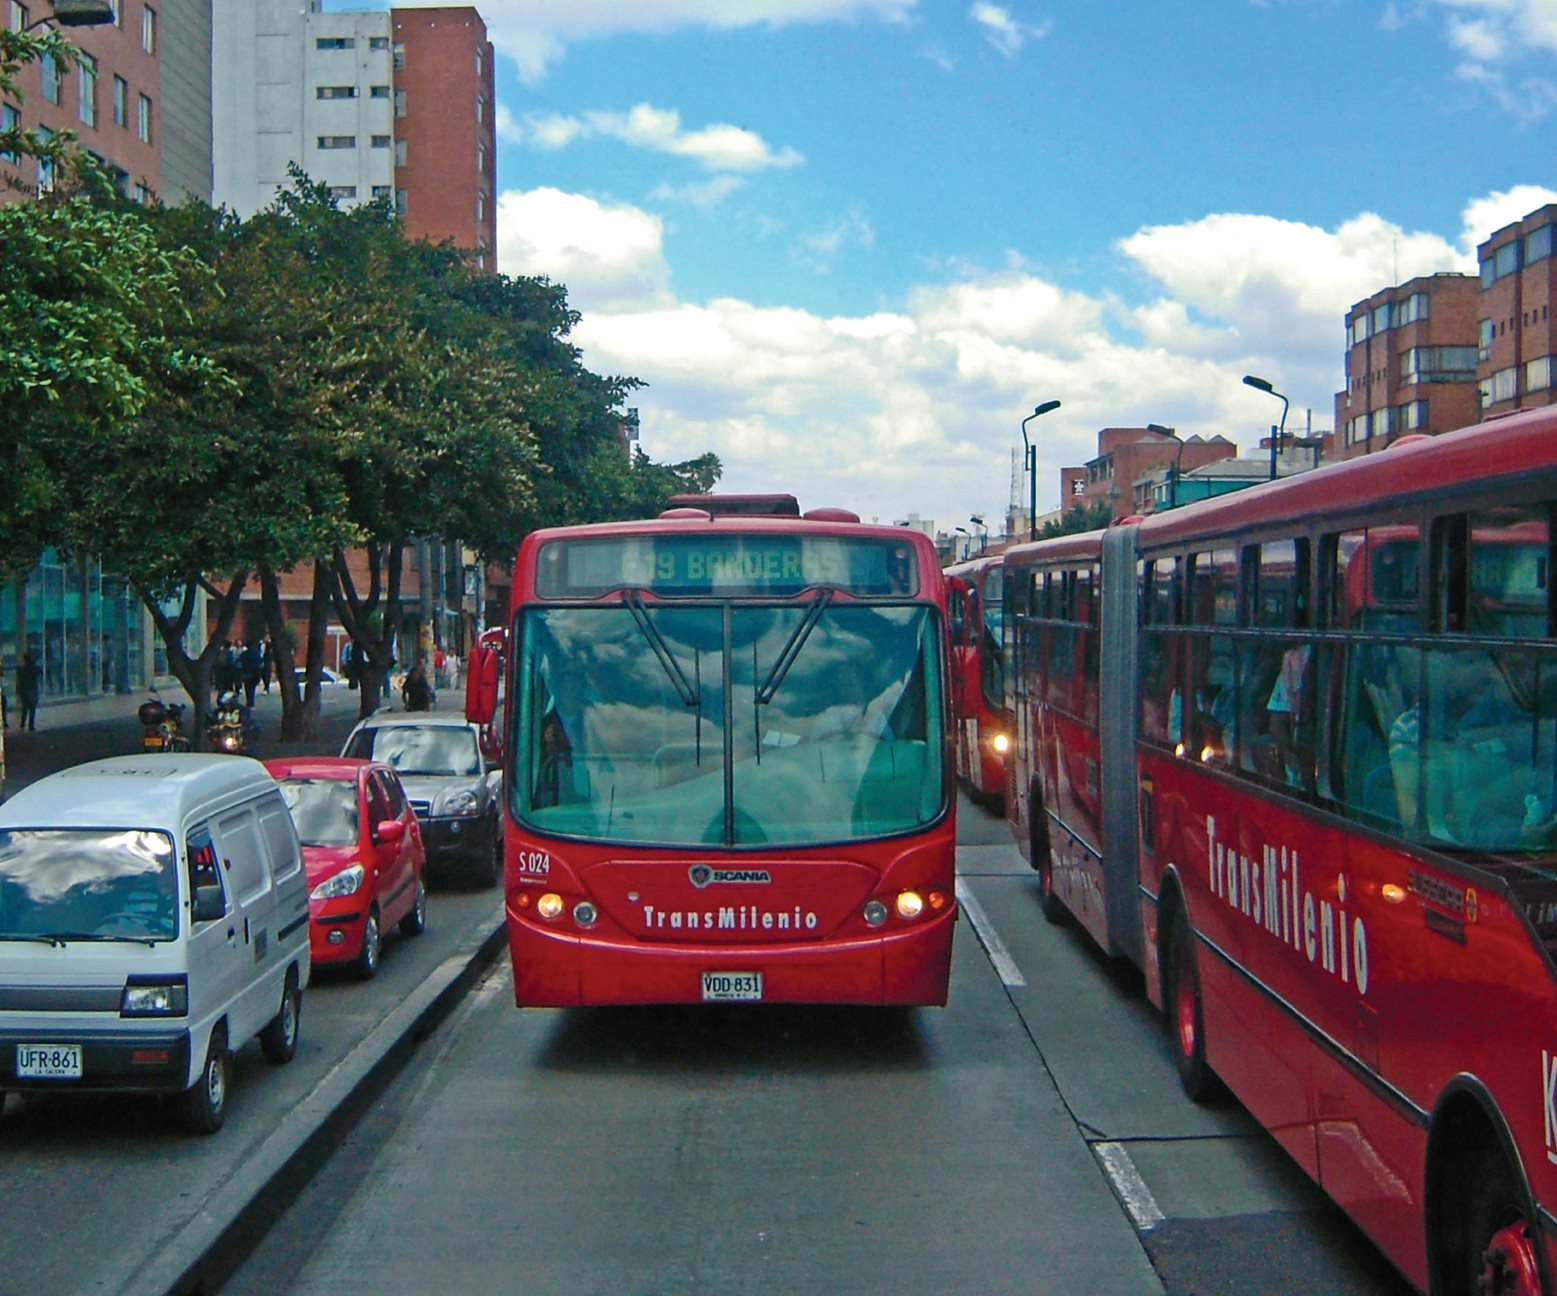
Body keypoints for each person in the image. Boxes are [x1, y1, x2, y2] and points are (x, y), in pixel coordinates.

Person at [17, 651, 41, 731]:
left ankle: (22, 724)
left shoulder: (21, 669)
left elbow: (18, 681)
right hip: (32, 689)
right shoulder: (34, 668)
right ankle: (31, 725)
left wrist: (18, 691)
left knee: (25, 708)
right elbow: (40, 671)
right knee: (32, 709)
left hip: (24, 691)